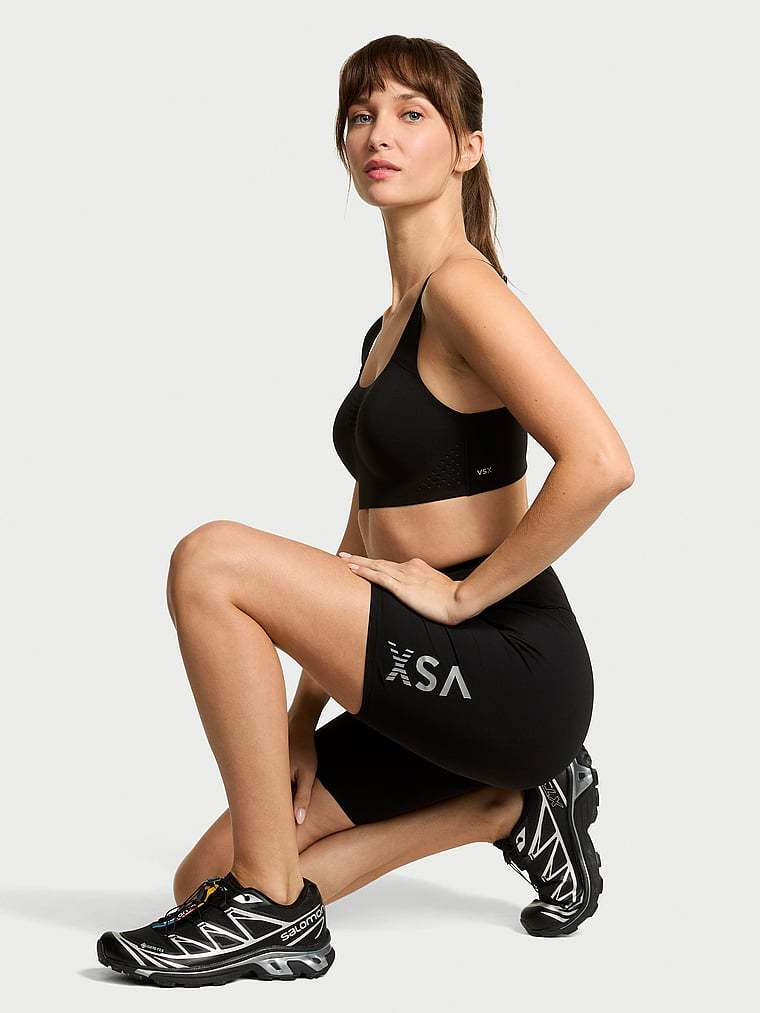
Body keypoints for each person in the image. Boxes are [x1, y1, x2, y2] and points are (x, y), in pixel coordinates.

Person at [96, 35, 634, 988]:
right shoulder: (387, 327)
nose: (377, 134)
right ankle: (507, 809)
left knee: (211, 560)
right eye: (360, 116)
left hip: (507, 669)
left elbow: (600, 462)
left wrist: (466, 598)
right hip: (421, 674)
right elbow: (363, 543)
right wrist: (302, 715)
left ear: (467, 148)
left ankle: (270, 908)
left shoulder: (462, 288)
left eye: (410, 114)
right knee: (199, 878)